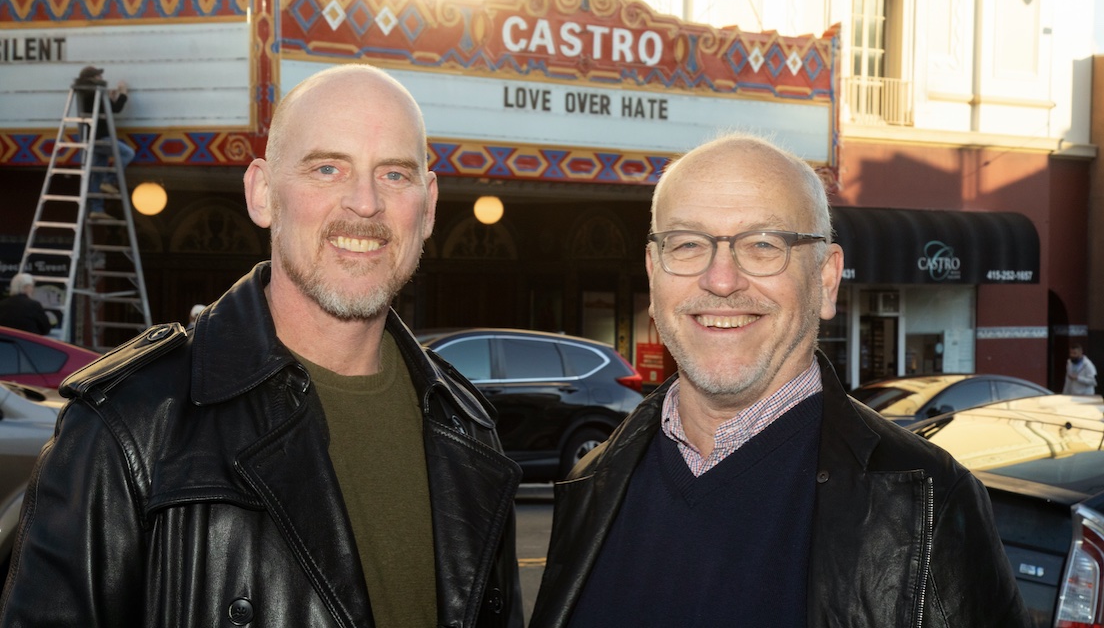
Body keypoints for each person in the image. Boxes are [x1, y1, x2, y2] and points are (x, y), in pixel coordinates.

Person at [0, 64, 524, 627]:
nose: (366, 203)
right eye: (328, 168)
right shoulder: (127, 428)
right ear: (263, 193)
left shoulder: (469, 430)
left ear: (429, 204)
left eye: (395, 174)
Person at [530, 134, 1028, 628]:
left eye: (764, 244)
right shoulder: (590, 482)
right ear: (653, 275)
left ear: (826, 280)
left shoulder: (928, 502)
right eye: (686, 244)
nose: (721, 280)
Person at [73, 65, 134, 219]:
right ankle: (109, 180)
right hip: (102, 137)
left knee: (97, 173)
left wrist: (109, 99)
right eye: (98, 76)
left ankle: (97, 208)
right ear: (92, 79)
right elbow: (116, 109)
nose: (101, 79)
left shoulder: (85, 94)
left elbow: (105, 110)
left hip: (90, 138)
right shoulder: (95, 93)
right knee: (127, 153)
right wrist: (123, 93)